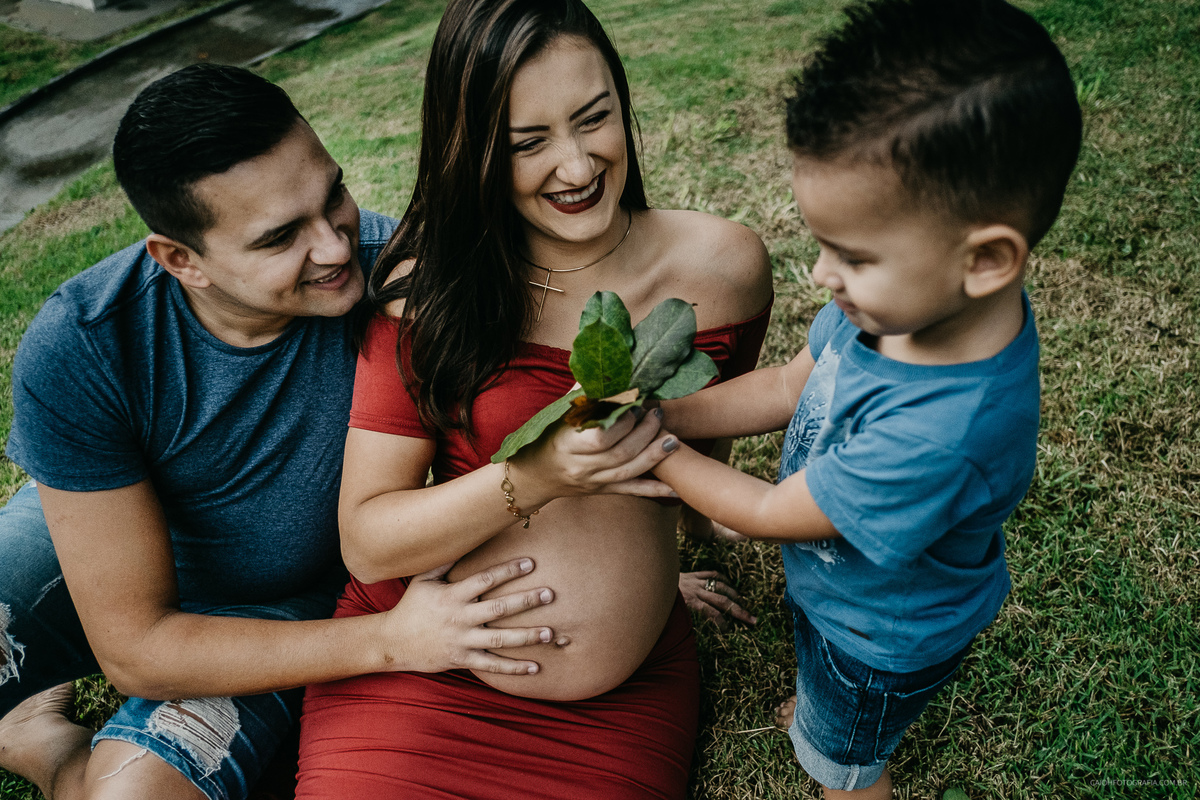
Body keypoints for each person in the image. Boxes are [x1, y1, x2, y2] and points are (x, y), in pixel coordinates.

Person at [0, 63, 617, 800]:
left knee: (129, 795)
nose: (334, 248)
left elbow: (519, 439)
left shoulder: (403, 281)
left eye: (335, 198)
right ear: (179, 259)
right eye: (281, 238)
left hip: (281, 599)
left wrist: (601, 559)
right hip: (101, 555)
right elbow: (137, 646)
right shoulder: (85, 342)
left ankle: (43, 744)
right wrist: (393, 643)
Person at [294, 0, 775, 796]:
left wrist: (655, 574)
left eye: (595, 119)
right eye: (528, 144)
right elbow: (370, 542)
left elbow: (689, 450)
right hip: (425, 667)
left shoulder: (721, 270)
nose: (579, 167)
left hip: (618, 705)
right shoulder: (432, 293)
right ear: (472, 153)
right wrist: (539, 477)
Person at [650, 0, 1082, 797]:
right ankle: (824, 717)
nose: (822, 275)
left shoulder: (943, 429)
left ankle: (840, 743)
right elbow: (786, 385)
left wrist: (659, 451)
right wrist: (671, 411)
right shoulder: (903, 307)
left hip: (878, 640)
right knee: (828, 711)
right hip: (841, 599)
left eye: (851, 255)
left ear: (985, 260)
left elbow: (771, 512)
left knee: (848, 769)